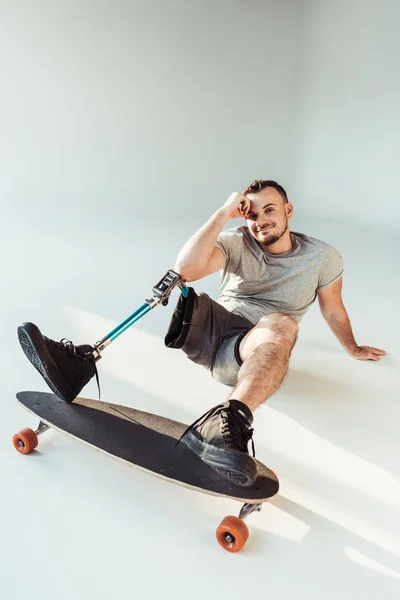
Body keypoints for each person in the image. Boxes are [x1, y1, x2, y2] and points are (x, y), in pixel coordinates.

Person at [17, 179, 386, 487]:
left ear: (288, 211)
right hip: (216, 330)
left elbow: (332, 307)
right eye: (252, 212)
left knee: (282, 323)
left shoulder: (323, 258)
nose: (260, 220)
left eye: (270, 209)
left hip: (256, 346)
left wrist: (351, 347)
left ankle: (227, 422)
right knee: (176, 286)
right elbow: (186, 268)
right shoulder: (237, 240)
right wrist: (225, 211)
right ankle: (78, 364)